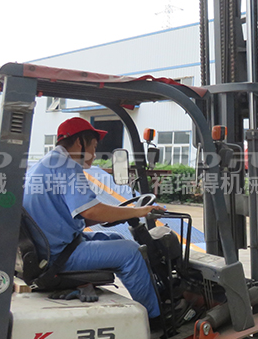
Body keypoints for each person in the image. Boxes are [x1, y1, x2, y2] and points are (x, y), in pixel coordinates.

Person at [23, 117, 164, 323]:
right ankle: (155, 319)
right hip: (58, 256)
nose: (95, 154)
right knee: (131, 252)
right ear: (79, 142)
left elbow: (78, 213)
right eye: (94, 146)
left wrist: (120, 214)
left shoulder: (47, 164)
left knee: (114, 238)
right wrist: (137, 212)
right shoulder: (67, 165)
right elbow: (91, 211)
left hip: (50, 248)